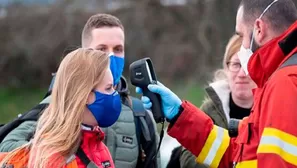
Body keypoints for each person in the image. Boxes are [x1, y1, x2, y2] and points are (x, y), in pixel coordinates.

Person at [137, 0, 297, 167]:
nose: (241, 45)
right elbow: (239, 155)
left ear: (259, 29)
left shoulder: (283, 83)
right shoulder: (279, 80)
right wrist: (179, 115)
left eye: (241, 35)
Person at [0, 14, 160, 168]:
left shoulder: (140, 116)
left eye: (118, 49)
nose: (110, 56)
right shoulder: (54, 108)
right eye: (101, 49)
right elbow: (8, 150)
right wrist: (56, 155)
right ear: (84, 53)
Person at [0, 48, 117, 167]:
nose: (115, 94)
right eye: (108, 88)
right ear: (84, 95)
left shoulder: (98, 145)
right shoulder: (55, 157)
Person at [179, 34, 256, 168]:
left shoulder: (271, 109)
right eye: (236, 65)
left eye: (247, 65)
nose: (242, 74)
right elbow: (188, 160)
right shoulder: (208, 111)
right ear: (226, 69)